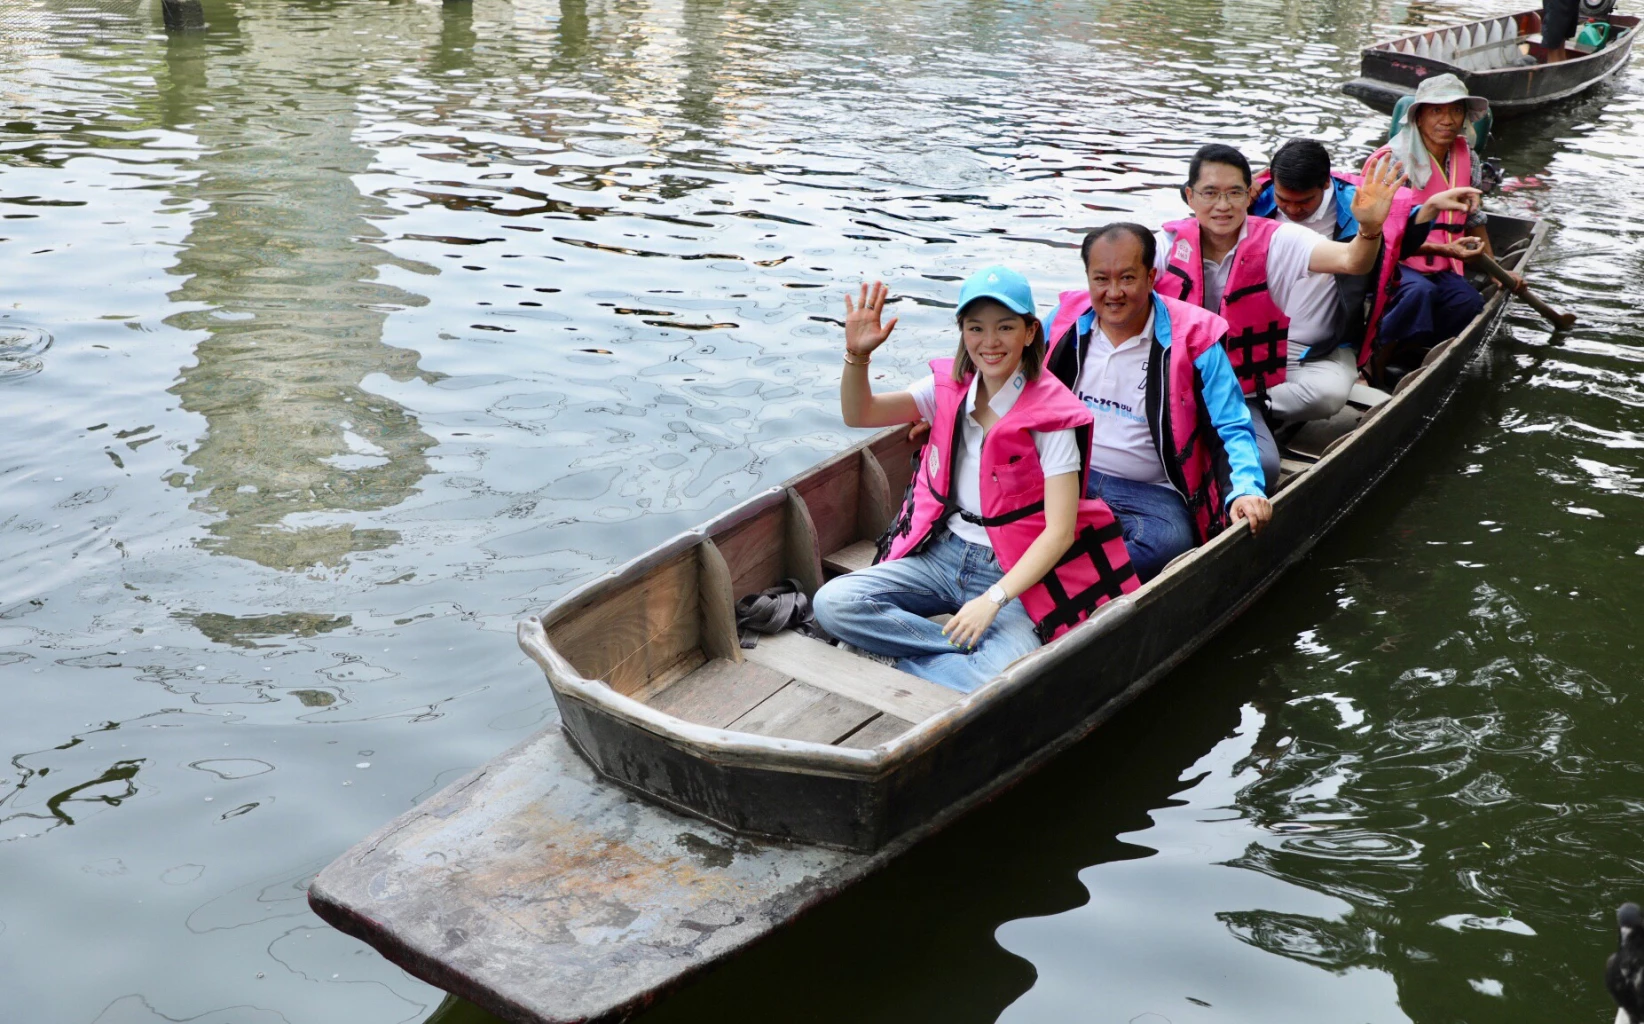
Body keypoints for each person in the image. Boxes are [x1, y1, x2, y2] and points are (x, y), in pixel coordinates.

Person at [812, 268, 1138, 693]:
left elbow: (1058, 534)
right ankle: (950, 653)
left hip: (1016, 569)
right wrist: (858, 356)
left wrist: (993, 601)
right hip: (941, 554)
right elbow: (861, 414)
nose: (990, 342)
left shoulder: (1053, 416)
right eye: (976, 328)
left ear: (1029, 332)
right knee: (832, 603)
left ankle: (894, 660)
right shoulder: (946, 387)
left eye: (1005, 327)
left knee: (1005, 674)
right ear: (963, 332)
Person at [1154, 143, 1408, 489]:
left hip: (1247, 378)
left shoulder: (1280, 239)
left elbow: (1353, 261)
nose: (1223, 205)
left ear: (1249, 196)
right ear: (1190, 197)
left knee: (1266, 463)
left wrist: (1369, 230)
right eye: (1210, 193)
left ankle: (1239, 413)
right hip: (1183, 375)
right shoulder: (1165, 244)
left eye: (1234, 193)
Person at [1044, 223, 1271, 581]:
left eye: (1128, 278)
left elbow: (1231, 425)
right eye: (1100, 279)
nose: (1113, 293)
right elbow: (1003, 377)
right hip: (1070, 474)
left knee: (1170, 542)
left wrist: (1244, 490)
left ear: (1151, 277)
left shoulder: (1195, 338)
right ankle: (1068, 578)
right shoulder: (1062, 323)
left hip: (1150, 491)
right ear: (1087, 277)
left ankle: (1056, 582)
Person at [1250, 138, 1478, 380]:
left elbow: (1396, 241)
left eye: (1304, 201)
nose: (1293, 210)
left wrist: (1430, 208)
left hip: (1327, 338)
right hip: (1255, 331)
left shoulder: (1357, 201)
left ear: (1326, 183)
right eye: (1284, 200)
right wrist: (1239, 192)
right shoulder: (1254, 198)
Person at [1364, 74, 1514, 368]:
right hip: (1396, 262)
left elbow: (1472, 217)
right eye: (1437, 110)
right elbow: (1383, 235)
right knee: (1419, 292)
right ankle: (1373, 362)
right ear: (1418, 117)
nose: (1447, 120)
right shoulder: (1392, 160)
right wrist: (1445, 250)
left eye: (1456, 110)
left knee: (1469, 303)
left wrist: (1497, 272)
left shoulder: (1466, 156)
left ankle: (1415, 353)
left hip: (1446, 264)